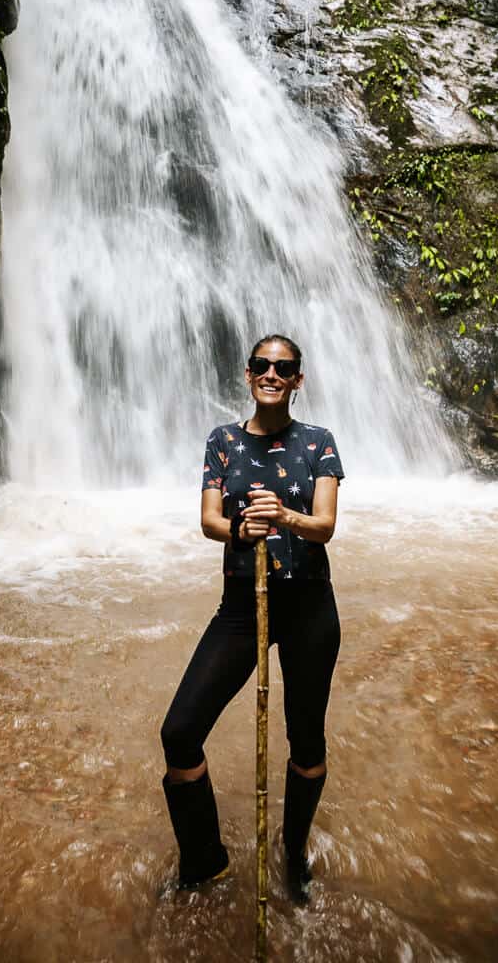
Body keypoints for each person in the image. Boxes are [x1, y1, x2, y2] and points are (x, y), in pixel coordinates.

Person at [160, 334, 344, 904]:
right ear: (248, 374)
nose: (271, 373)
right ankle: (205, 860)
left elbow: (326, 525)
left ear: (297, 380)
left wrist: (285, 516)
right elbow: (209, 519)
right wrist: (242, 528)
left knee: (306, 741)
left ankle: (294, 855)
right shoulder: (223, 441)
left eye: (283, 367)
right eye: (262, 365)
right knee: (180, 731)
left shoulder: (318, 442)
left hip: (309, 604)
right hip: (243, 603)